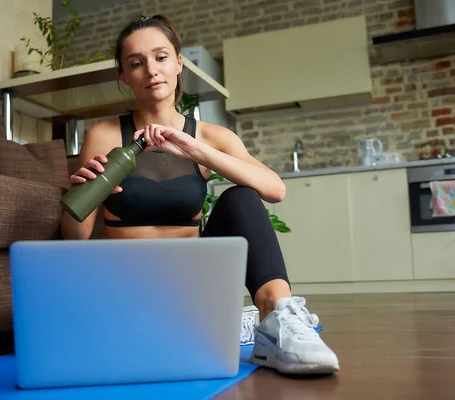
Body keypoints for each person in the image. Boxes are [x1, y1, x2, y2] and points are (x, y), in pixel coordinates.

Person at [60, 14, 339, 375]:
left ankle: (277, 318)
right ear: (124, 76)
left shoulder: (210, 136)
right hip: (129, 288)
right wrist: (81, 192)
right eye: (136, 63)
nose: (151, 70)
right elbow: (75, 236)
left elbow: (275, 189)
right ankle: (223, 324)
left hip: (193, 286)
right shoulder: (104, 135)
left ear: (178, 62)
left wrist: (196, 151)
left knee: (241, 197)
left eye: (160, 57)